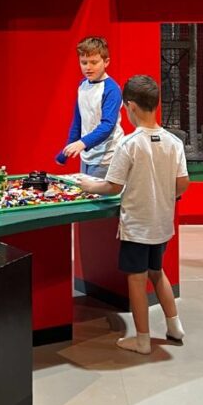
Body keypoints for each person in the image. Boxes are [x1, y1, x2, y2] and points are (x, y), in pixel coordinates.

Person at [75, 74, 189, 355]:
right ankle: (174, 326)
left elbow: (112, 185)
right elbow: (183, 182)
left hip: (137, 226)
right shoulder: (174, 142)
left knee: (136, 280)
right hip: (162, 224)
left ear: (131, 106)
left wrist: (89, 184)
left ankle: (141, 339)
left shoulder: (129, 144)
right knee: (157, 272)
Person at [55, 35, 123, 179]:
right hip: (87, 155)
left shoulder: (111, 89)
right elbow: (78, 121)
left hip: (107, 158)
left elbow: (107, 125)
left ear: (106, 62)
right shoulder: (82, 85)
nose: (88, 67)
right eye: (84, 62)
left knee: (98, 198)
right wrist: (65, 151)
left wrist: (82, 143)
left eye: (94, 62)